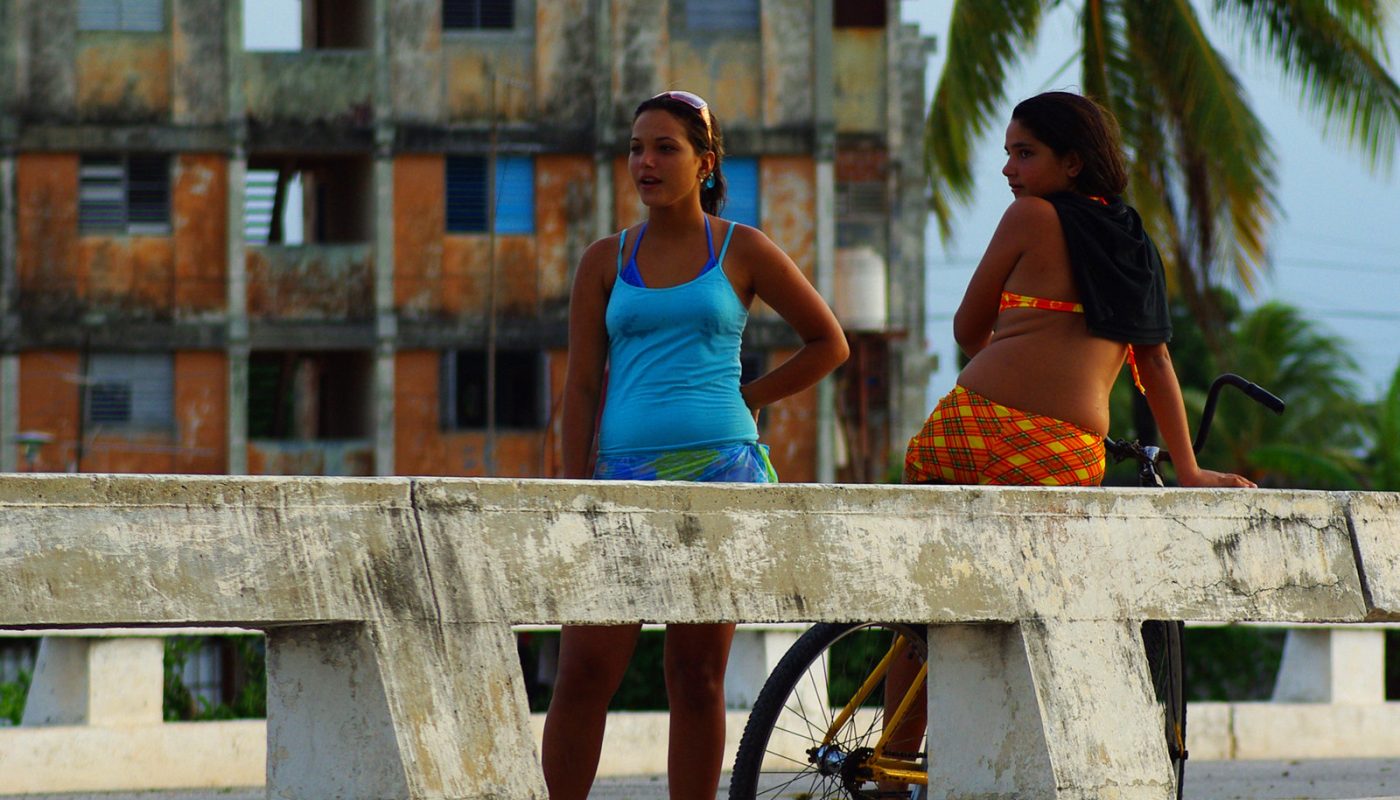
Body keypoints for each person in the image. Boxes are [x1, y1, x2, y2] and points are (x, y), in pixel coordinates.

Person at [881, 91, 1257, 778]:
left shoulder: (1027, 218)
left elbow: (968, 330)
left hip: (970, 429)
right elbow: (1155, 362)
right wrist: (1191, 469)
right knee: (1032, 618)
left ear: (1073, 162)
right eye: (1008, 155)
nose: (1009, 170)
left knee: (929, 615)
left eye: (1024, 154)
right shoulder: (1136, 246)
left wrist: (1018, 332)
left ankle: (892, 761)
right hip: (1059, 457)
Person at [542, 90, 849, 800]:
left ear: (705, 162)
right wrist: (571, 490)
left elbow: (827, 343)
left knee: (698, 675)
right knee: (584, 671)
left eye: (665, 148)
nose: (645, 162)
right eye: (636, 148)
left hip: (722, 476)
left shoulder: (740, 247)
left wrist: (749, 398)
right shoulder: (603, 260)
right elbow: (582, 386)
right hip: (620, 479)